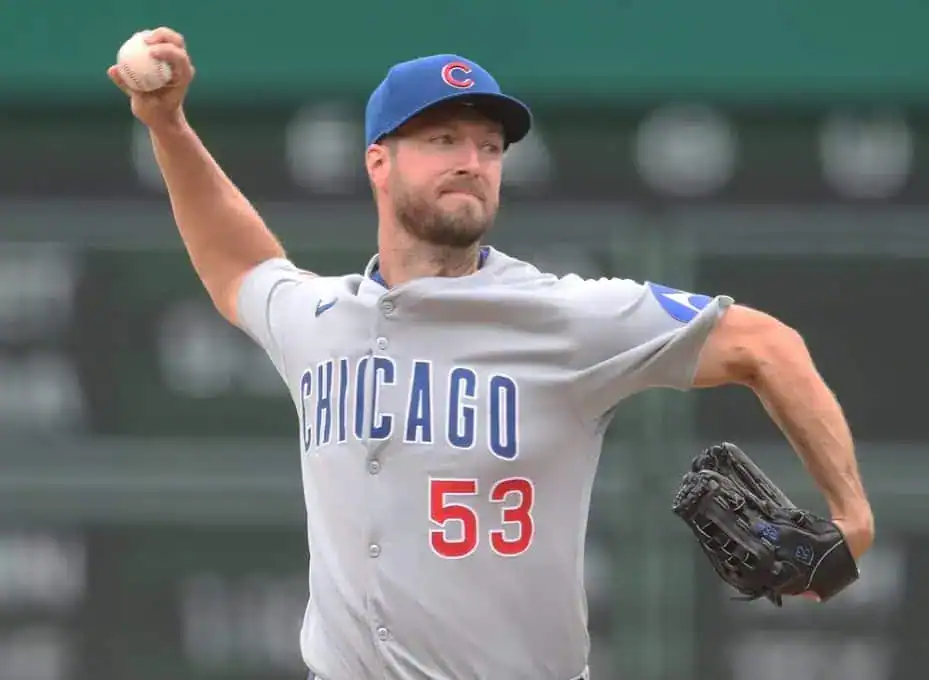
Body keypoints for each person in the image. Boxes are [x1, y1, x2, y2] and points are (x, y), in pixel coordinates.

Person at [108, 28, 875, 680]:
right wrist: (168, 127)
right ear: (380, 161)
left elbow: (767, 345)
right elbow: (238, 264)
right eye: (442, 140)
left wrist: (852, 514)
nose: (472, 160)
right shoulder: (321, 317)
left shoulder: (564, 316)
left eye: (488, 145)